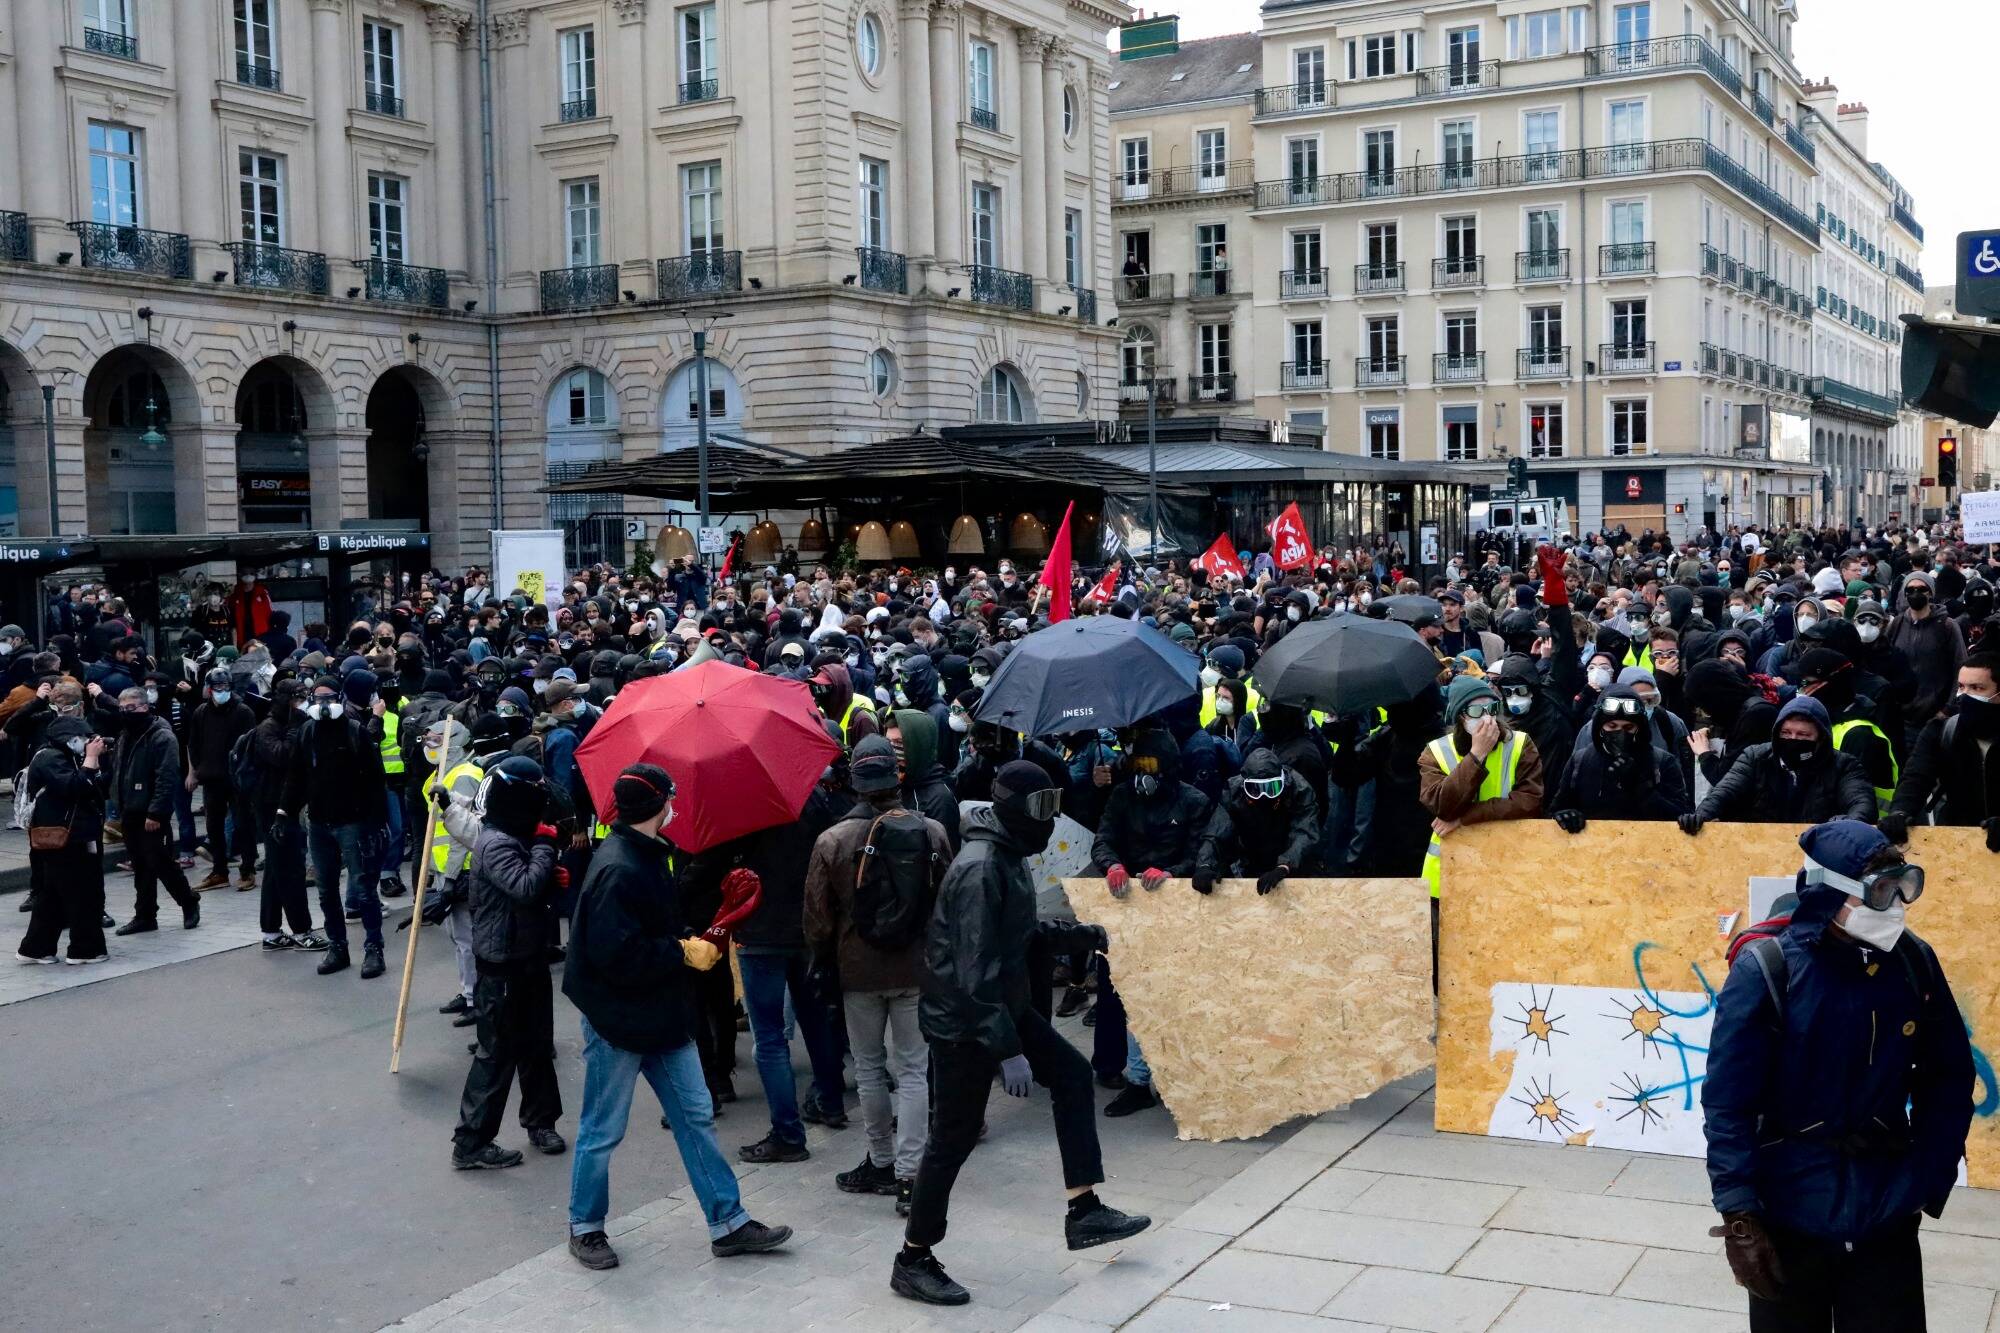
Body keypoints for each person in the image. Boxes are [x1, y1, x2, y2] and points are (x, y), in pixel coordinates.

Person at [893, 762, 1151, 1307]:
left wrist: (1081, 935)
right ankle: (912, 1257)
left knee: (1073, 1075)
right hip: (967, 1022)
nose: (1050, 819)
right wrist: (1007, 1052)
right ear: (1012, 808)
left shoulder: (1007, 856)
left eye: (1053, 804)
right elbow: (972, 972)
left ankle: (1084, 1210)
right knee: (952, 1140)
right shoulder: (981, 868)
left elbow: (1020, 933)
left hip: (999, 1006)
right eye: (1040, 808)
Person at [1702, 819, 1973, 1330]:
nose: (1895, 907)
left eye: (1903, 889)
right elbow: (1728, 1103)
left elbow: (1948, 1075)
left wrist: (1926, 1177)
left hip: (1885, 1209)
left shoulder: (1912, 961)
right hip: (1788, 1211)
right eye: (1880, 893)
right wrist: (1739, 1217)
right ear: (1830, 895)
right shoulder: (1769, 969)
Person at [562, 763, 793, 1270]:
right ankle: (585, 1227)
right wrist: (681, 951)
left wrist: (696, 935)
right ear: (657, 806)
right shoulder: (619, 866)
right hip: (617, 1022)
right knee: (603, 1130)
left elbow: (655, 926)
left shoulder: (644, 855)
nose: (676, 805)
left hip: (663, 1015)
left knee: (696, 1117)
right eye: (671, 797)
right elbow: (614, 954)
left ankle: (728, 1222)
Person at [804, 736, 951, 1216]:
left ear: (855, 783)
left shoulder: (832, 840)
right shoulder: (930, 832)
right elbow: (948, 902)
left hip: (858, 969)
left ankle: (881, 1162)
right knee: (913, 1070)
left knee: (869, 1070)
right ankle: (911, 1178)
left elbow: (817, 919)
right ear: (897, 778)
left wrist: (822, 959)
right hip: (915, 967)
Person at [684, 763, 848, 1164]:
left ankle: (788, 1134)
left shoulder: (741, 806)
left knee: (771, 1038)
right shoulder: (810, 798)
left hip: (760, 933)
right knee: (815, 1023)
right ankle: (830, 1102)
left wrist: (681, 889)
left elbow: (712, 865)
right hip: (806, 929)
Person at [1086, 728, 1211, 1116]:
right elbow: (1103, 839)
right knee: (1122, 992)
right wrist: (1113, 865)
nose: (1144, 774)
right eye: (1138, 766)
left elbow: (1203, 851)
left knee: (1174, 995)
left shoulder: (1193, 801)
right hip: (1129, 908)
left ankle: (1179, 1074)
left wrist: (1172, 873)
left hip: (1176, 913)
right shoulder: (1122, 797)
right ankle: (1134, 1078)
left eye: (1151, 767)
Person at [452, 754, 568, 1169]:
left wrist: (548, 871)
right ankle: (471, 1142)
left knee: (537, 1047)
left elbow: (533, 889)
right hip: (501, 966)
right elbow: (523, 886)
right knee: (496, 1054)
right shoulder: (497, 841)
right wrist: (544, 850)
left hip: (528, 958)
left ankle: (541, 1122)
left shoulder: (513, 837)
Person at [280, 676, 388, 978]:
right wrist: (283, 811)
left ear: (338, 699)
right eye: (318, 698)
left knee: (364, 890)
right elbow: (296, 776)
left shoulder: (355, 732)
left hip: (353, 823)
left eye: (329, 698)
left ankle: (373, 948)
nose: (323, 704)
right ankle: (338, 947)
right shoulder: (307, 733)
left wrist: (377, 823)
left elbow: (376, 780)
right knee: (326, 891)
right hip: (319, 823)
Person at [1684, 695, 1875, 832]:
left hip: (1820, 849)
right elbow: (1725, 790)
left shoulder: (1844, 766)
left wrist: (1850, 825)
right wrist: (1702, 815)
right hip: (1760, 848)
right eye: (1786, 733)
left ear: (1820, 738)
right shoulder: (1755, 757)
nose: (1793, 739)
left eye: (1803, 735)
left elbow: (1860, 802)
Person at [15, 718, 110, 964]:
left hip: (69, 836)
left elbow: (95, 787)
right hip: (66, 838)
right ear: (70, 738)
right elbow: (73, 787)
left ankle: (35, 948)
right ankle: (85, 950)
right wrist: (89, 761)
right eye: (84, 738)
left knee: (53, 897)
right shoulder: (50, 758)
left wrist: (95, 762)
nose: (89, 743)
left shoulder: (64, 757)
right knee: (83, 895)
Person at [1883, 652, 2000, 848]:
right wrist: (1900, 812)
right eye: (1961, 687)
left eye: (1977, 688)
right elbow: (1916, 777)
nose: (1964, 695)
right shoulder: (1941, 731)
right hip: (1957, 841)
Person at [110, 687, 202, 936]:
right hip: (129, 808)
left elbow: (166, 777)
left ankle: (188, 900)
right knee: (140, 865)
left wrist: (156, 812)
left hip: (150, 812)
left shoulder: (162, 736)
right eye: (122, 708)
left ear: (144, 706)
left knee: (159, 861)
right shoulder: (126, 734)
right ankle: (145, 915)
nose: (126, 713)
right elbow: (119, 770)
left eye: (131, 708)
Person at [1547, 687, 1691, 832]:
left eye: (1628, 727)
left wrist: (1640, 787)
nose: (1620, 733)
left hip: (1647, 848)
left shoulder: (1662, 762)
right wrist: (1566, 816)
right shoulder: (1580, 761)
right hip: (1593, 849)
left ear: (1639, 728)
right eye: (1612, 726)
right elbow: (1556, 809)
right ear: (1600, 727)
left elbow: (1679, 816)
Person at [245, 681, 320, 951]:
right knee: (290, 870)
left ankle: (272, 933)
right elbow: (282, 757)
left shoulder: (287, 724)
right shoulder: (269, 728)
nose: (303, 704)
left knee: (276, 872)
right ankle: (302, 930)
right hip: (273, 807)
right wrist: (294, 729)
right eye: (299, 699)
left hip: (286, 803)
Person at [1193, 748, 1321, 893]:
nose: (1264, 795)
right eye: (1255, 788)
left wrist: (1285, 865)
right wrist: (1205, 864)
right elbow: (1217, 830)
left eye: (1272, 787)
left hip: (1291, 865)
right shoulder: (1234, 792)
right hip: (1251, 860)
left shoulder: (1299, 790)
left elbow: (1305, 832)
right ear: (1244, 783)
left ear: (1283, 781)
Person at [184, 668, 258, 891]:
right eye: (218, 688)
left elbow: (249, 746)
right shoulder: (201, 712)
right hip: (212, 778)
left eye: (225, 687)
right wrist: (193, 772)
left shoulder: (243, 712)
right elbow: (193, 743)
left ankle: (248, 870)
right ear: (209, 689)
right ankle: (219, 871)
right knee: (213, 827)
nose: (222, 691)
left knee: (244, 824)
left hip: (237, 779)